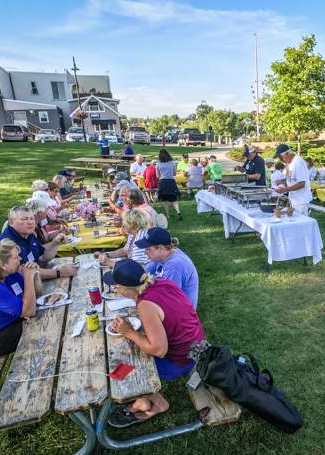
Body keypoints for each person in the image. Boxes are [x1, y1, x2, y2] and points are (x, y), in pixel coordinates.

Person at [104, 259, 204, 427]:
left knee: (125, 362)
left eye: (116, 286)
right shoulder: (162, 281)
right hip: (196, 346)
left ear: (125, 290)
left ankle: (160, 404)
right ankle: (143, 400)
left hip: (182, 360)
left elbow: (159, 350)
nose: (115, 289)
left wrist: (129, 332)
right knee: (133, 346)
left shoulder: (146, 305)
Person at [0, 205, 77, 280]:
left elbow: (42, 257)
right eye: (24, 219)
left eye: (31, 218)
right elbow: (27, 272)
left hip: (36, 278)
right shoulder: (8, 243)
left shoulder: (27, 234)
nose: (30, 222)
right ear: (11, 223)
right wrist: (59, 272)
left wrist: (55, 243)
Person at [136, 228, 199, 309]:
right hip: (172, 304)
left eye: (148, 249)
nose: (145, 252)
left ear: (161, 249)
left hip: (180, 314)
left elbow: (165, 299)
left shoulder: (174, 266)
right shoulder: (164, 255)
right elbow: (142, 273)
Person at [272, 144, 312, 215]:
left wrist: (285, 190)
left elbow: (302, 184)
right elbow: (291, 179)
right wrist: (281, 181)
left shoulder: (298, 163)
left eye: (281, 157)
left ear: (287, 154)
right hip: (294, 199)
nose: (280, 160)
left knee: (300, 223)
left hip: (301, 201)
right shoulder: (289, 163)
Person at [156, 149, 182, 220]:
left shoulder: (158, 164)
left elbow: (157, 176)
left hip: (163, 182)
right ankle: (178, 212)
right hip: (171, 181)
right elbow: (174, 173)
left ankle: (167, 215)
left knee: (164, 200)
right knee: (174, 199)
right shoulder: (172, 163)